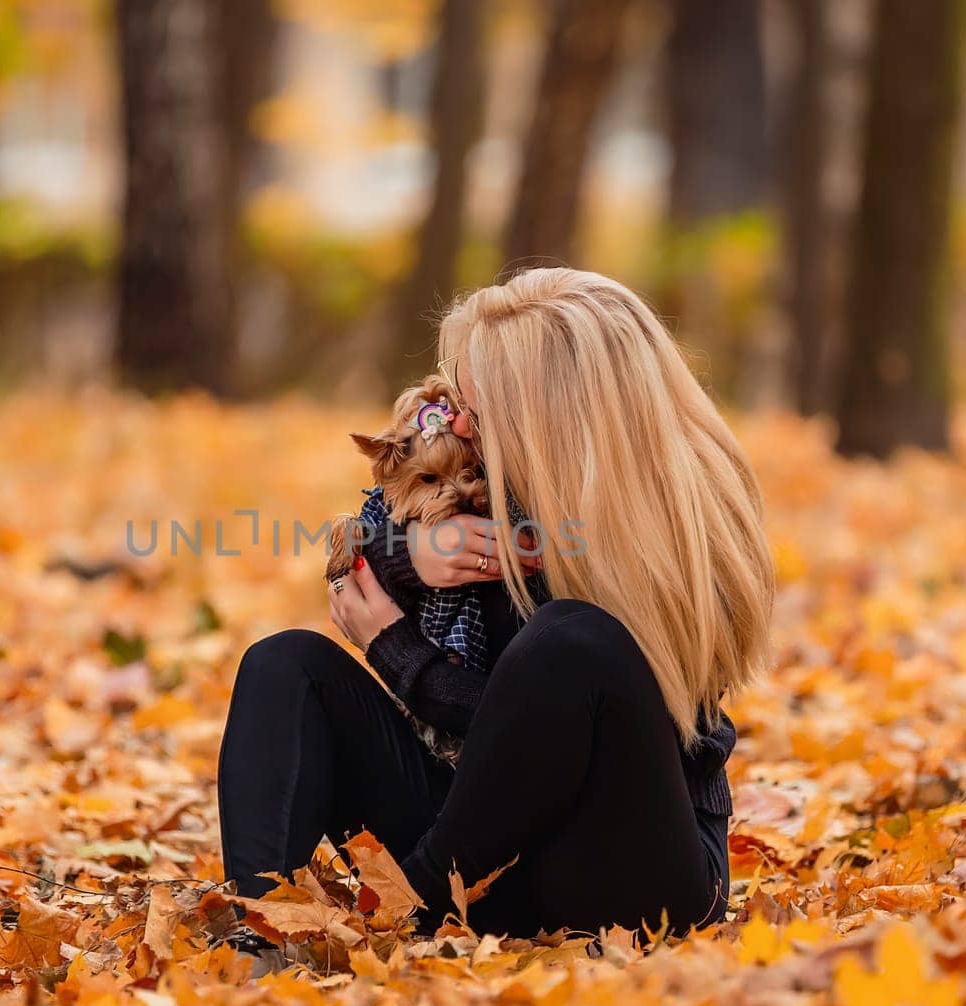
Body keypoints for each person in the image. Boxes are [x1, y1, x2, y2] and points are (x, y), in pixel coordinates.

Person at [218, 267, 774, 938]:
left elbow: (538, 733)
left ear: (544, 415)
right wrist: (410, 556)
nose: (455, 421)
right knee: (285, 664)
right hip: (482, 862)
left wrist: (396, 651)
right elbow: (365, 540)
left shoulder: (680, 520)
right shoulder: (487, 490)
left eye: (474, 409)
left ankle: (406, 909)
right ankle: (256, 931)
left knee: (570, 641)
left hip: (627, 873)